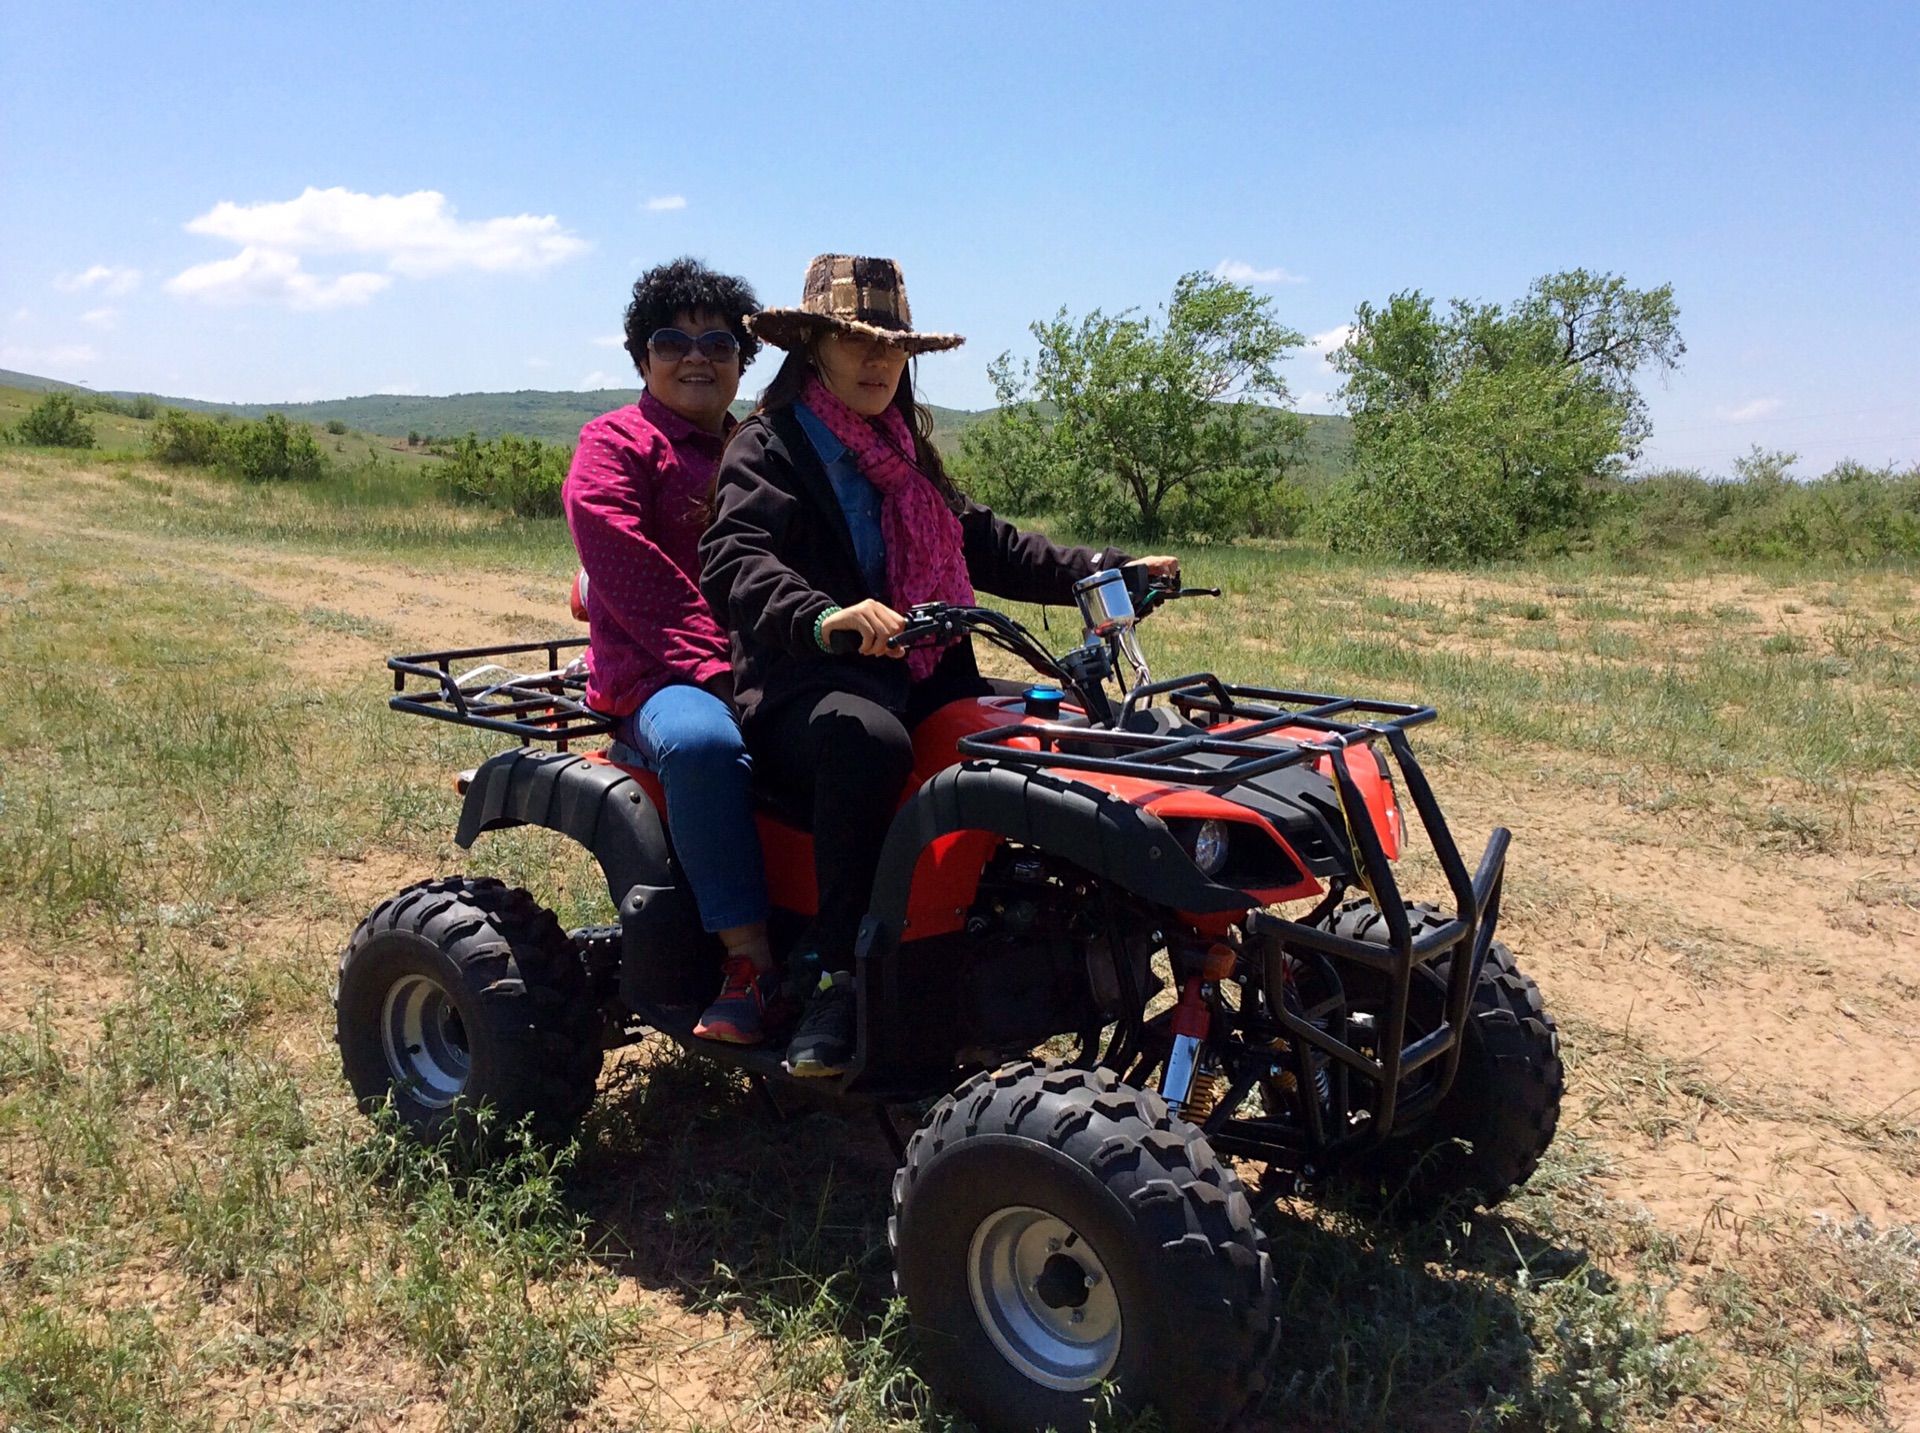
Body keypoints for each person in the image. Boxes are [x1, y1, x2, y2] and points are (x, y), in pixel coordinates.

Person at [702, 254, 1176, 1077]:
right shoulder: (768, 446)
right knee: (868, 742)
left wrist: (1105, 569)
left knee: (1041, 735)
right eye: (857, 342)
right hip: (807, 688)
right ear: (812, 345)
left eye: (893, 345)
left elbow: (986, 543)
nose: (880, 360)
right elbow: (735, 557)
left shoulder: (903, 450)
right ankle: (833, 973)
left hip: (921, 677)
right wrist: (824, 618)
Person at [562, 257, 778, 1045]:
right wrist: (719, 669)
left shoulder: (761, 446)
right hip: (659, 672)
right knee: (703, 742)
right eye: (673, 340)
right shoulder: (616, 443)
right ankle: (748, 961)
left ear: (742, 361)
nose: (697, 356)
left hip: (768, 655)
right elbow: (624, 563)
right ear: (641, 357)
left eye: (720, 342)